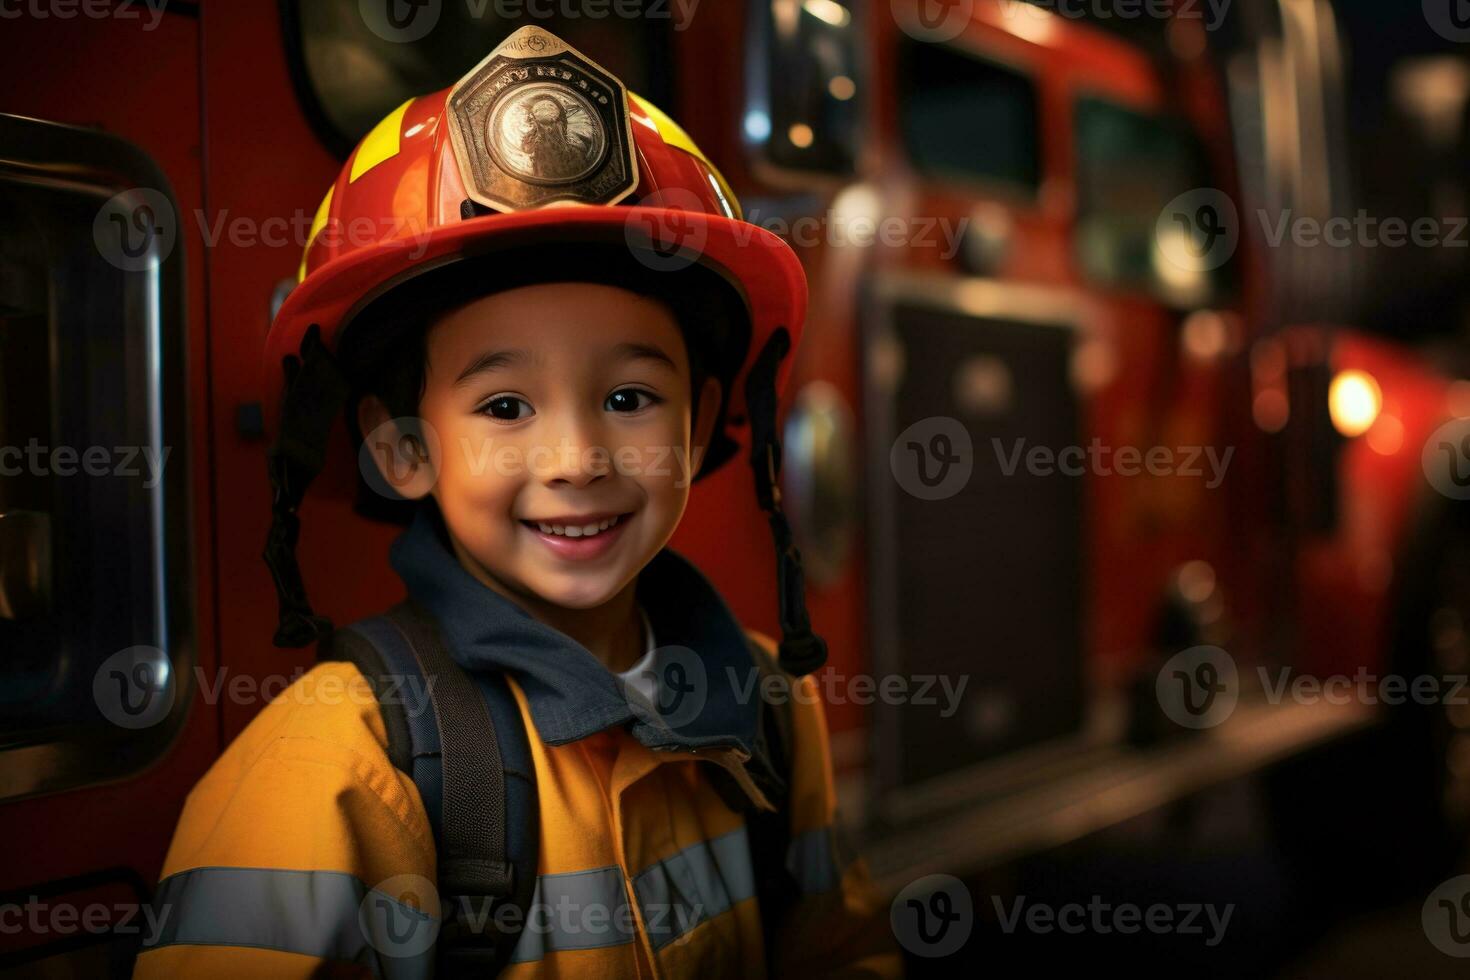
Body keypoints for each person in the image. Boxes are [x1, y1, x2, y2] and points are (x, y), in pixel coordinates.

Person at [134, 26, 902, 979]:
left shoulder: (772, 710)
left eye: (629, 399)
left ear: (699, 426)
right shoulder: (324, 775)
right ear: (404, 448)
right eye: (504, 405)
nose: (576, 458)